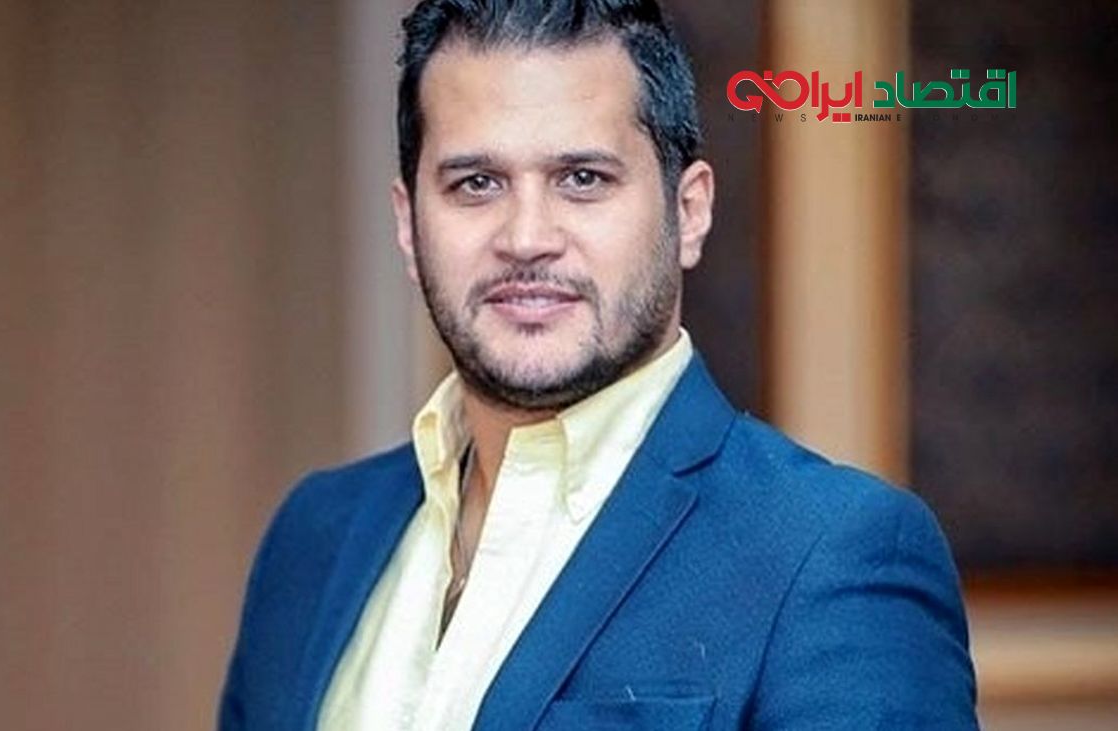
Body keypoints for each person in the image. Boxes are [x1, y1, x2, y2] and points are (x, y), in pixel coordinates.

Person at [218, 1, 978, 728]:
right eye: (476, 183)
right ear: (408, 225)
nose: (526, 238)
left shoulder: (830, 552)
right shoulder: (314, 538)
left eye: (582, 179)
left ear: (689, 212)